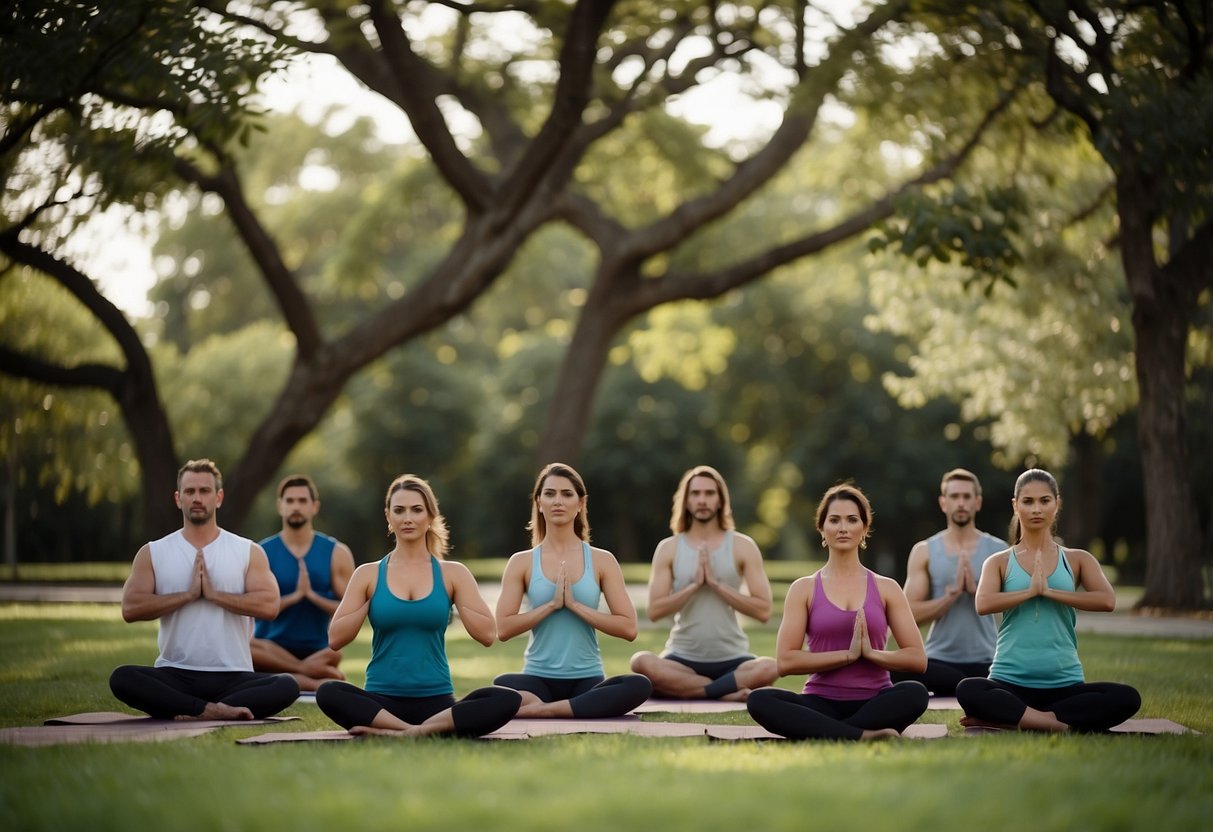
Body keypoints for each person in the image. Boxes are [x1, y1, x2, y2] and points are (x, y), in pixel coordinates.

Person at [315, 475, 521, 737]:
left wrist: (455, 597)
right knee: (329, 692)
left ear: (430, 516)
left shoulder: (453, 574)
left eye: (416, 510)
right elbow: (335, 639)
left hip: (437, 702)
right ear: (388, 516)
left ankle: (401, 732)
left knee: (507, 698)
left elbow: (487, 636)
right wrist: (368, 601)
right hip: (381, 701)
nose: (407, 518)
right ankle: (415, 731)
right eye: (399, 511)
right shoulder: (368, 574)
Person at [109, 459, 300, 720]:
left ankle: (190, 708)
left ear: (218, 497)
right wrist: (187, 595)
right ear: (178, 499)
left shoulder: (247, 551)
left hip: (234, 676)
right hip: (175, 672)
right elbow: (130, 608)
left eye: (204, 491)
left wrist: (214, 595)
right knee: (123, 678)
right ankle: (210, 710)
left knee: (286, 685)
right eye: (190, 492)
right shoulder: (153, 552)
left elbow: (270, 606)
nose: (197, 498)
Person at [955, 469, 1141, 733]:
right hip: (1009, 682)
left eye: (1044, 500)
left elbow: (1107, 600)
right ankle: (1059, 725)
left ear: (1057, 503)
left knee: (1127, 697)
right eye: (1028, 501)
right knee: (969, 689)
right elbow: (983, 604)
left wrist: (1049, 592)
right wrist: (1030, 592)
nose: (1036, 509)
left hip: (1064, 685)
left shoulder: (1078, 559)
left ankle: (1013, 720)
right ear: (1015, 505)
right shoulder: (999, 561)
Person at [746, 484, 929, 740]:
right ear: (822, 528)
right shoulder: (804, 589)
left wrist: (870, 654)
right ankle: (861, 735)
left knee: (915, 693)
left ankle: (826, 731)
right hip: (820, 702)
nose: (843, 527)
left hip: (875, 702)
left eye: (852, 520)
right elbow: (786, 661)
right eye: (834, 520)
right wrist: (846, 656)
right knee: (759, 699)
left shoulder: (887, 588)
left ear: (864, 528)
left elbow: (917, 659)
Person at [494, 462, 652, 718]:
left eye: (567, 494)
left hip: (586, 679)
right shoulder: (521, 562)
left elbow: (629, 628)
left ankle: (542, 711)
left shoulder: (602, 561)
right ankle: (569, 708)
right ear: (538, 502)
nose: (558, 501)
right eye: (550, 493)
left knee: (638, 685)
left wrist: (576, 606)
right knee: (501, 685)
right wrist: (552, 606)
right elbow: (503, 629)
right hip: (536, 679)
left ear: (580, 503)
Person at [630, 465, 778, 701]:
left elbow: (763, 611)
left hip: (734, 658)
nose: (702, 500)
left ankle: (692, 691)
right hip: (681, 659)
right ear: (686, 501)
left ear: (720, 500)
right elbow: (655, 611)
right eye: (695, 494)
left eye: (709, 493)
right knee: (640, 662)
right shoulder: (668, 548)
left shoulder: (743, 546)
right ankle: (723, 692)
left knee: (770, 668)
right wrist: (694, 586)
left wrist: (716, 584)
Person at [892, 468, 1005, 696]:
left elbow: (1016, 609)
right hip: (938, 661)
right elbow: (908, 615)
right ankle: (970, 687)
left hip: (989, 659)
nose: (961, 503)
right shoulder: (924, 551)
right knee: (889, 670)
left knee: (1011, 674)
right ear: (943, 503)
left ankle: (965, 686)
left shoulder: (999, 551)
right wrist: (950, 597)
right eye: (954, 497)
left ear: (978, 502)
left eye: (967, 497)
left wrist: (977, 593)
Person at [250, 474, 355, 690]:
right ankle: (311, 677)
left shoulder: (337, 552)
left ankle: (291, 676)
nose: (295, 506)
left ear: (314, 506)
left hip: (317, 649)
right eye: (289, 501)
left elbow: (351, 612)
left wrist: (312, 597)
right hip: (270, 647)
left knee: (335, 654)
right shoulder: (261, 552)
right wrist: (294, 597)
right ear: (280, 506)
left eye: (302, 501)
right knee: (246, 647)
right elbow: (254, 609)